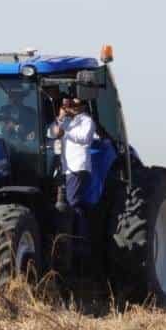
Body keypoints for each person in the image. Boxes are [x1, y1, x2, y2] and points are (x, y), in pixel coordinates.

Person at [47, 96, 97, 259]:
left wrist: (66, 133)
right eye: (67, 105)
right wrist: (61, 118)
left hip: (78, 167)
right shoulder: (65, 121)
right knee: (73, 205)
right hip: (66, 169)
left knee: (74, 203)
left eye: (74, 105)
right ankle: (77, 242)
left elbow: (85, 138)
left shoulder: (86, 121)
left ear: (82, 106)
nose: (71, 107)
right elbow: (50, 133)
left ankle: (80, 244)